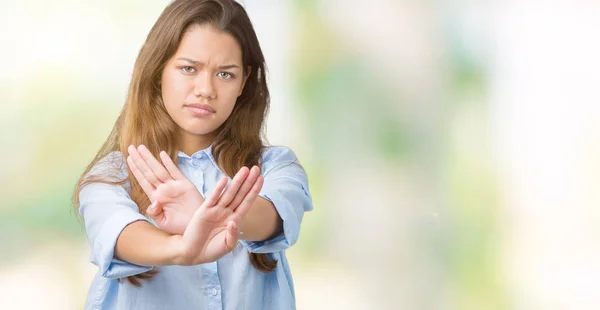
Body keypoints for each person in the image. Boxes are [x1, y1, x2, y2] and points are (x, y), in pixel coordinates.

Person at [73, 0, 313, 309]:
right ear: (158, 69)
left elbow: (272, 220)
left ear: (243, 81)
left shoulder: (276, 167)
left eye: (225, 74)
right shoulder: (112, 175)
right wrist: (181, 248)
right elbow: (120, 235)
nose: (205, 89)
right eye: (189, 68)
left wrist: (211, 216)